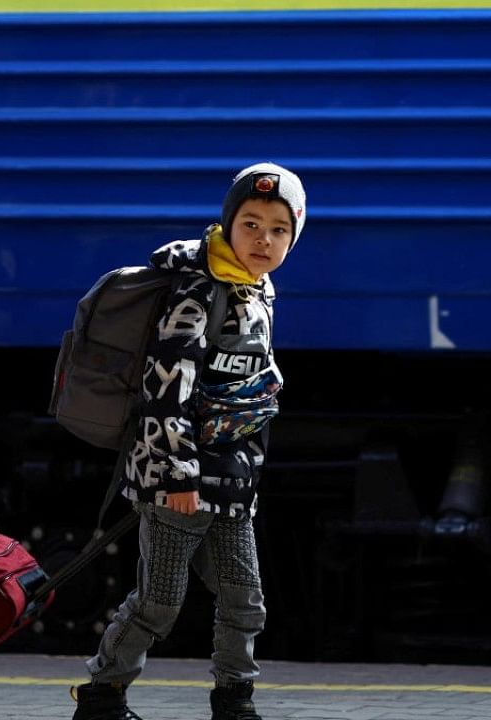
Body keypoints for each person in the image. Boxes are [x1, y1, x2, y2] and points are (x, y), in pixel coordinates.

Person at [71, 163, 307, 720]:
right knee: (159, 600)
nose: (263, 240)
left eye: (278, 230)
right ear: (227, 225)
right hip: (177, 479)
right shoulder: (198, 293)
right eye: (250, 224)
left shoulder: (257, 291)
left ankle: (235, 703)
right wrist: (178, 476)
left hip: (232, 478)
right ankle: (102, 697)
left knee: (244, 600)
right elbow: (164, 392)